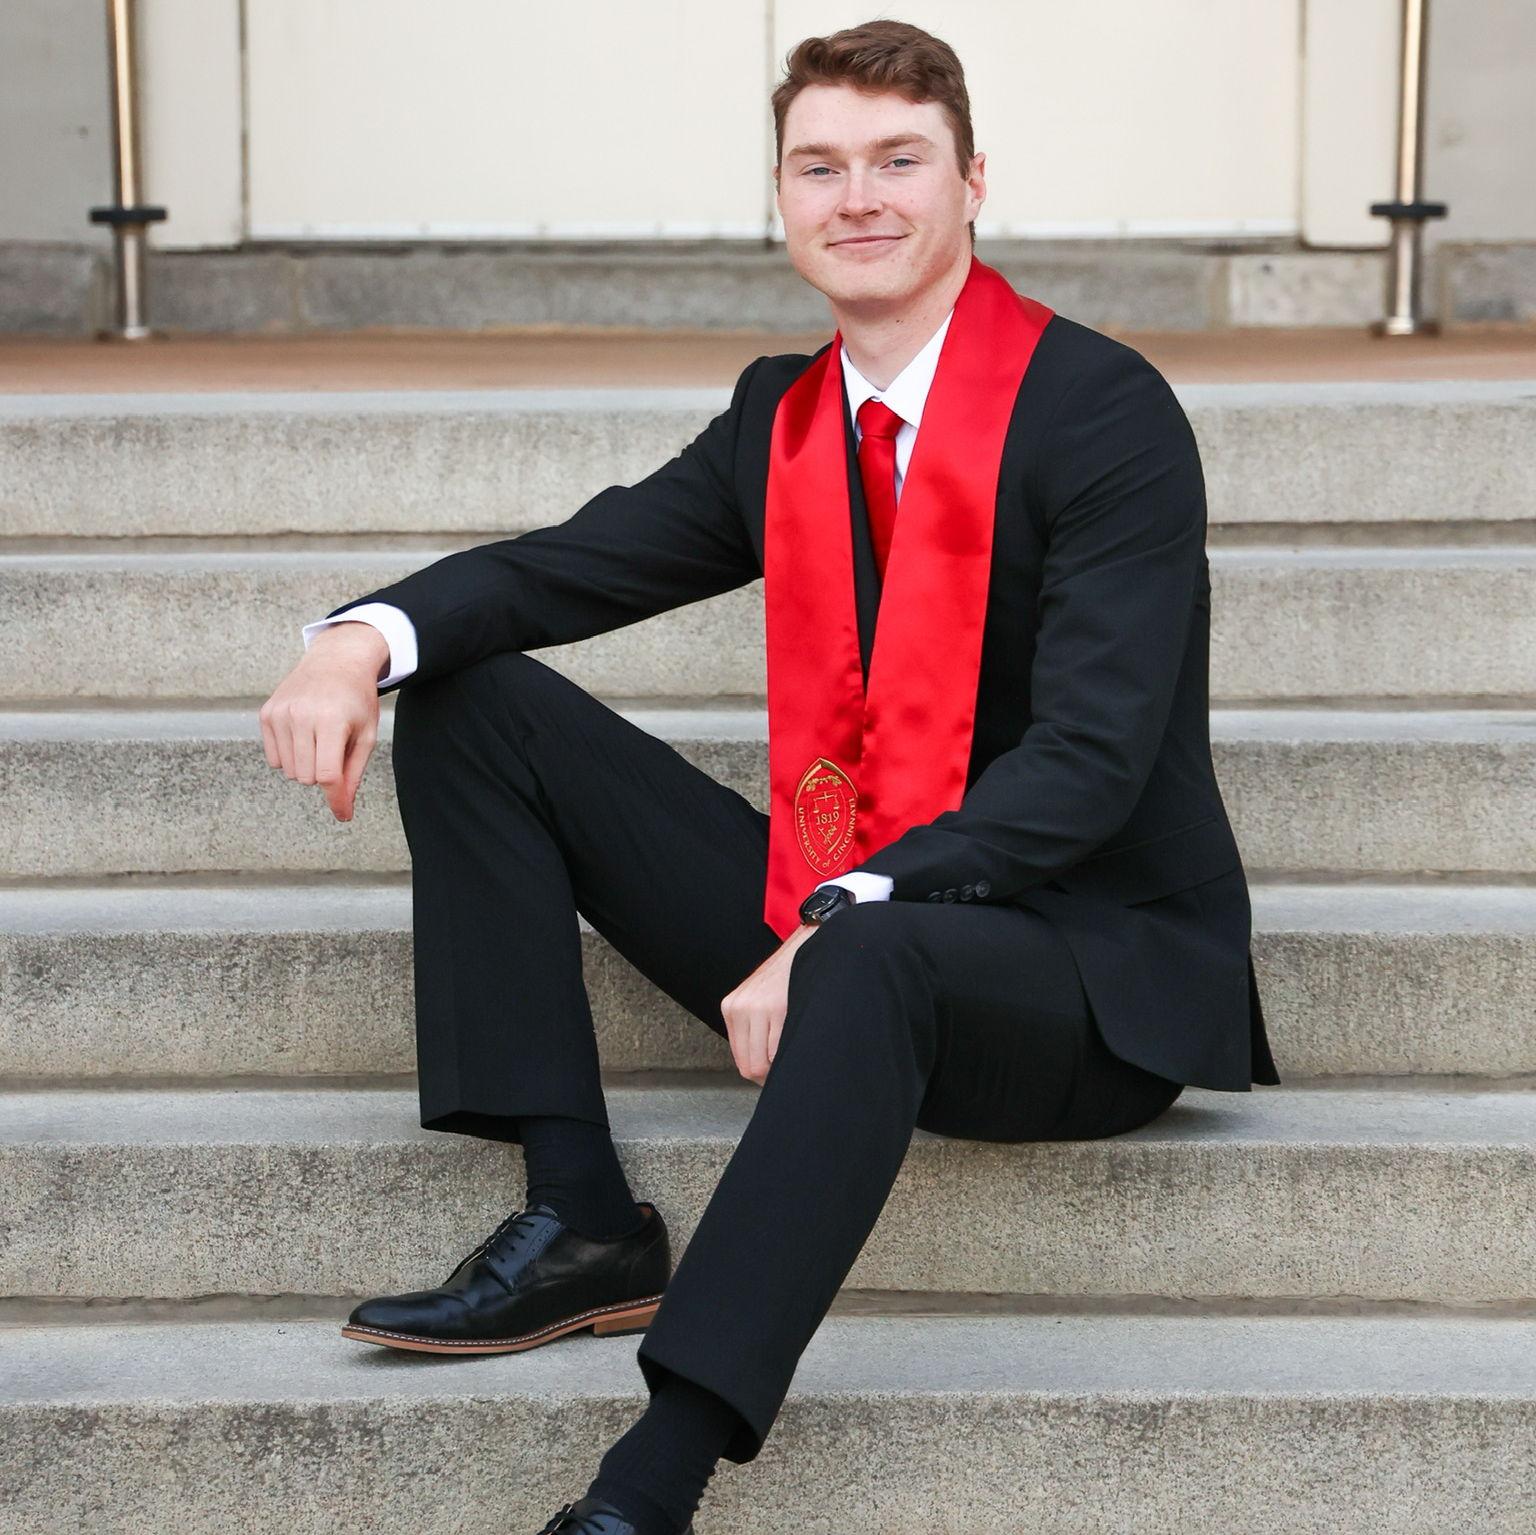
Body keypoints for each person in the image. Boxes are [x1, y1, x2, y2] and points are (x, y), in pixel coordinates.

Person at [259, 18, 1280, 1535]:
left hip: (1086, 978)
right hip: (846, 921)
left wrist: (855, 904)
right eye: (820, 167)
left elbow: (1091, 763)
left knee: (868, 946)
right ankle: (581, 1220)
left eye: (898, 162)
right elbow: (568, 567)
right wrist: (357, 642)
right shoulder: (785, 423)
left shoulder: (1100, 411)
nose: (857, 197)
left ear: (973, 183)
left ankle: (648, 1488)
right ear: (783, 197)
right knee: (471, 697)